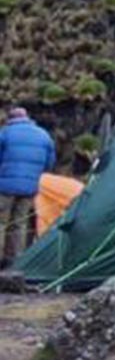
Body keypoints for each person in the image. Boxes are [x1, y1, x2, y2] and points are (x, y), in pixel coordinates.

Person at [0, 106, 57, 269]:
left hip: (4, 186)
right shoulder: (43, 135)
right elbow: (49, 163)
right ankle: (14, 260)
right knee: (20, 223)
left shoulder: (5, 133)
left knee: (1, 222)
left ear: (10, 119)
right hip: (29, 186)